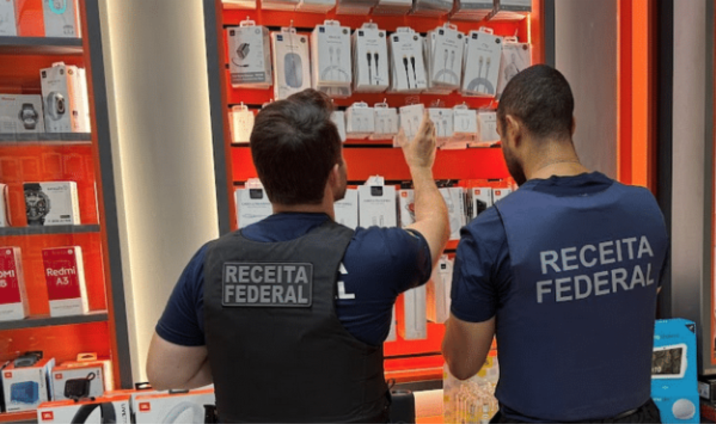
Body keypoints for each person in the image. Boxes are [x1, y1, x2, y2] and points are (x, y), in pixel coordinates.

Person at [146, 89, 449, 424]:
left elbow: (165, 372)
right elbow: (435, 227)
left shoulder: (211, 263)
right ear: (335, 173)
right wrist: (420, 167)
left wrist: (247, 359)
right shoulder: (373, 256)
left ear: (263, 176)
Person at [442, 65, 668, 424]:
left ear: (512, 129)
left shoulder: (491, 233)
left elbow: (463, 362)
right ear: (571, 125)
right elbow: (631, 303)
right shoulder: (645, 210)